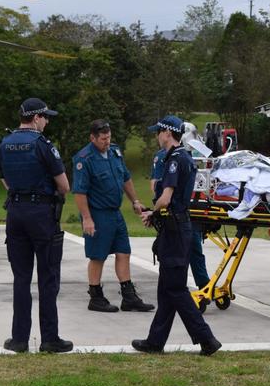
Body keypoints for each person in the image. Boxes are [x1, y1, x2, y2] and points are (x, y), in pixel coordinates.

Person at [133, 115, 221, 356]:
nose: (156, 136)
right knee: (166, 289)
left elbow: (166, 197)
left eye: (158, 132)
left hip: (174, 229)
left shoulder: (174, 159)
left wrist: (152, 211)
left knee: (176, 290)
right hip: (177, 227)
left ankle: (206, 338)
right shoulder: (184, 157)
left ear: (167, 133)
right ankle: (155, 341)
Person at [0, 97, 73, 353]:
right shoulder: (43, 145)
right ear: (36, 117)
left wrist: (20, 193)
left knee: (21, 278)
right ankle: (49, 339)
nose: (47, 121)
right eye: (45, 117)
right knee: (48, 277)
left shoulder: (5, 144)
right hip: (41, 214)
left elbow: (3, 179)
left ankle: (19, 339)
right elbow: (64, 186)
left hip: (15, 213)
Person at [72, 120, 155, 313]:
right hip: (97, 213)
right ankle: (95, 297)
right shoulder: (84, 159)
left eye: (109, 137)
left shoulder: (114, 152)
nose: (107, 142)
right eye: (103, 139)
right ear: (92, 138)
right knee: (98, 256)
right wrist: (87, 218)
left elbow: (125, 178)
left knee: (123, 252)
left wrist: (135, 201)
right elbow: (79, 192)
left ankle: (128, 296)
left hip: (115, 213)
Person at [151, 146, 210, 289]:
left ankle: (201, 285)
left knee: (193, 250)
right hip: (175, 213)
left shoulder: (184, 156)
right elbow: (156, 184)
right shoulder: (167, 157)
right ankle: (181, 287)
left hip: (188, 209)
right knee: (184, 252)